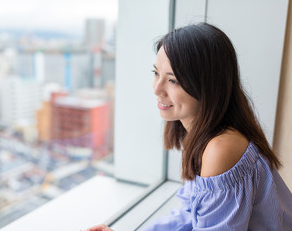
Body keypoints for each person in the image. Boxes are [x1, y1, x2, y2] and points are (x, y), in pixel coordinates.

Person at [87, 23, 292, 231]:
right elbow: (191, 216)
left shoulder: (220, 148)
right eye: (156, 73)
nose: (157, 89)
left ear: (207, 86)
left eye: (173, 80)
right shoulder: (202, 134)